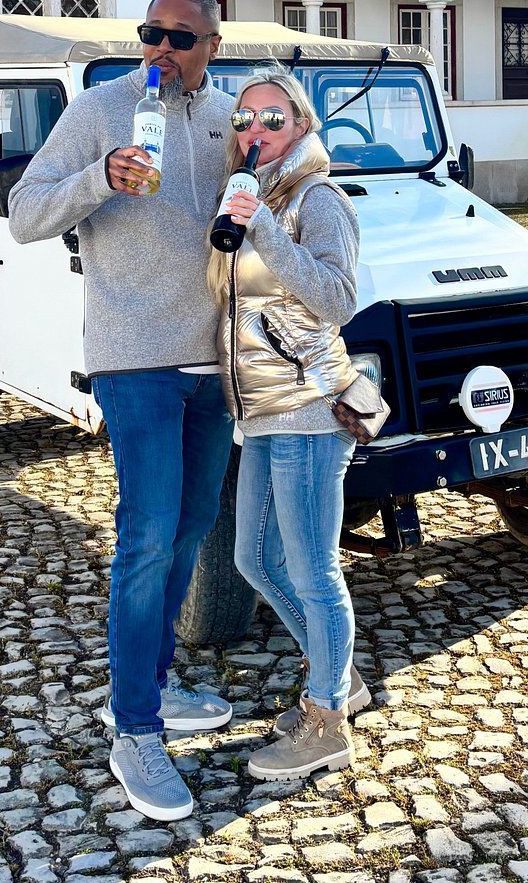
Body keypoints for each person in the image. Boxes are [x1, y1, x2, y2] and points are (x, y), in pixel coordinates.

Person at [8, 0, 234, 822]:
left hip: (215, 362)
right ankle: (133, 725)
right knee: (145, 532)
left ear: (213, 43)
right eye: (151, 34)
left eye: (181, 37)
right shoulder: (104, 107)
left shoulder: (225, 118)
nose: (162, 50)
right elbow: (25, 209)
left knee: (190, 525)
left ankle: (154, 681)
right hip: (133, 356)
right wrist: (99, 177)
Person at [208, 65, 372, 781]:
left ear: (303, 126)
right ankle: (339, 675)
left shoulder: (317, 198)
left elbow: (337, 298)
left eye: (274, 118)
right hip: (262, 410)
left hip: (310, 408)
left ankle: (327, 719)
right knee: (254, 560)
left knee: (312, 571)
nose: (257, 130)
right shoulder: (249, 195)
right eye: (244, 120)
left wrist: (267, 231)